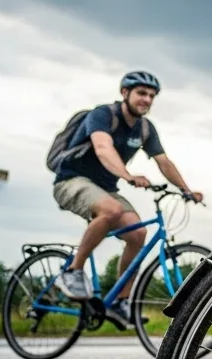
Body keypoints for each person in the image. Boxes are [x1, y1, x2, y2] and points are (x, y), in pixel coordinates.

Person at [51, 71, 203, 320]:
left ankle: (121, 301)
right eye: (141, 93)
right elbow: (102, 148)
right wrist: (128, 175)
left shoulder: (144, 128)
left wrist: (186, 189)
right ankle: (72, 272)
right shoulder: (103, 115)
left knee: (138, 233)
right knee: (111, 210)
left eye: (151, 96)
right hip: (72, 180)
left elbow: (163, 162)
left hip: (106, 188)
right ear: (125, 93)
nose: (146, 99)